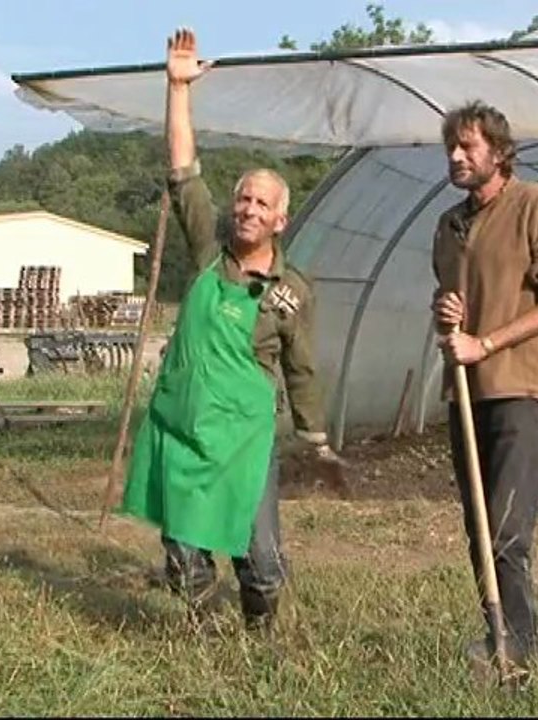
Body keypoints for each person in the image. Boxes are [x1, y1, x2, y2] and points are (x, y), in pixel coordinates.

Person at [119, 27, 344, 632]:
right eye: (242, 199)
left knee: (262, 561)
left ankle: (259, 635)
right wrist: (177, 88)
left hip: (246, 440)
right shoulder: (205, 254)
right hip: (183, 427)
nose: (247, 209)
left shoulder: (291, 291)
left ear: (281, 218)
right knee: (186, 552)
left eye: (260, 204)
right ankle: (199, 630)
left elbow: (300, 368)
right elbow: (183, 169)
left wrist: (316, 440)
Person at [431, 101, 538, 675]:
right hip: (465, 392)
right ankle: (499, 636)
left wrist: (486, 345)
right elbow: (448, 305)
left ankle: (519, 646)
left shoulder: (533, 205)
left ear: (499, 151)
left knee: (507, 528)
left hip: (517, 389)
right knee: (480, 531)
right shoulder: (447, 224)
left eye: (468, 146)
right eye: (451, 147)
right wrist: (446, 316)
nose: (456, 156)